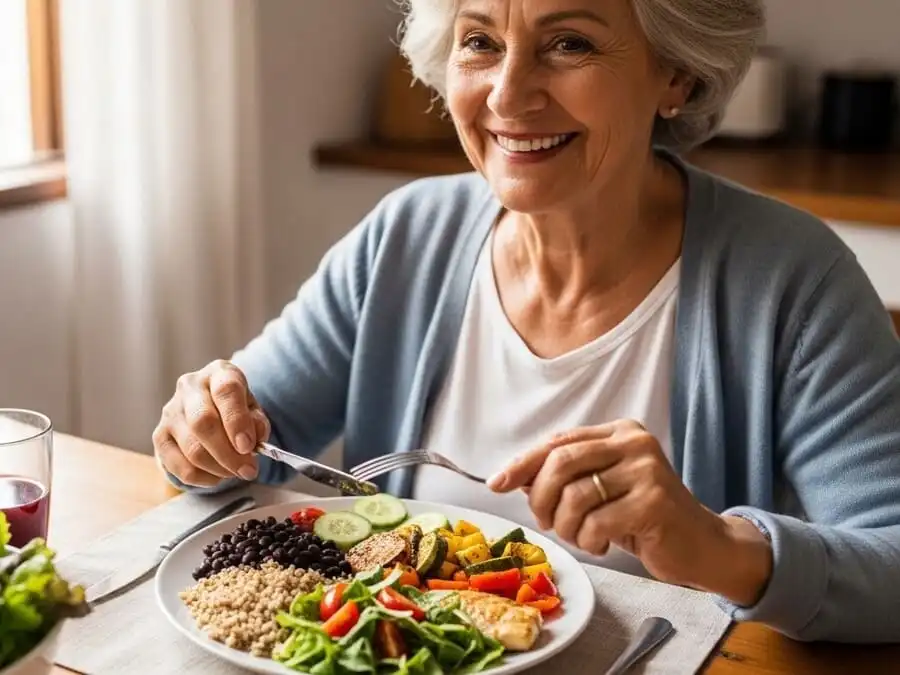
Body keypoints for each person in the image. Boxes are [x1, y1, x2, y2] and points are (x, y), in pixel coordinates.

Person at [152, 0, 900, 644]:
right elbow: (248, 439)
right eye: (480, 41)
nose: (508, 97)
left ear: (678, 72)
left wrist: (720, 547)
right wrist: (200, 433)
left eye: (568, 43)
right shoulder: (406, 236)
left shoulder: (795, 279)